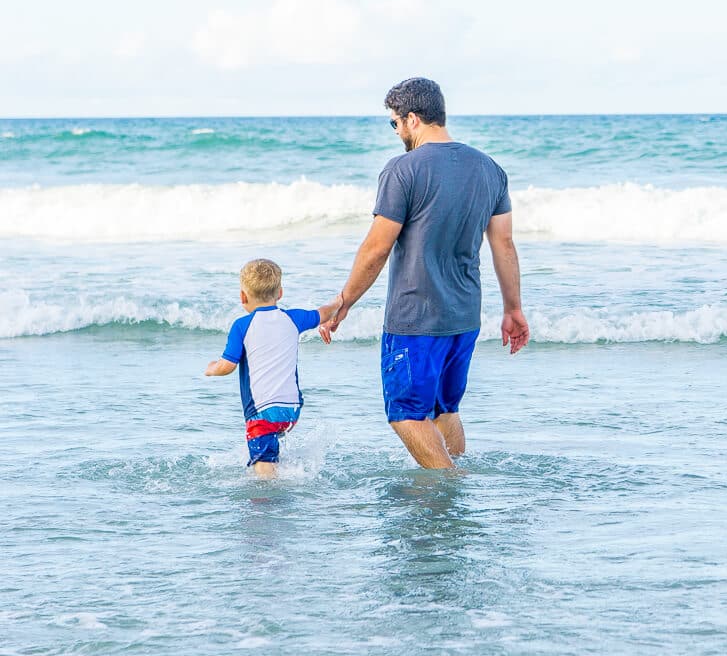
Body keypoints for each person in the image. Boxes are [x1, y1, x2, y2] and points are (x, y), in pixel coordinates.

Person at [321, 78, 529, 469]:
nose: (396, 132)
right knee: (443, 409)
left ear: (412, 119)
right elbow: (504, 245)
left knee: (406, 413)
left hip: (415, 317)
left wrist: (344, 300)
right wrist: (513, 309)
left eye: (395, 123)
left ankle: (449, 486)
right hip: (464, 317)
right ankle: (453, 499)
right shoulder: (490, 169)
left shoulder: (403, 170)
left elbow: (377, 247)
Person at [205, 258, 341, 477]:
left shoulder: (242, 325)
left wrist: (211, 368)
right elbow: (322, 313)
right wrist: (337, 304)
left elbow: (227, 366)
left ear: (243, 296)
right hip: (292, 410)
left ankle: (269, 504)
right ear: (280, 293)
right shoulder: (293, 318)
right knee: (271, 450)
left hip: (262, 412)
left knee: (264, 471)